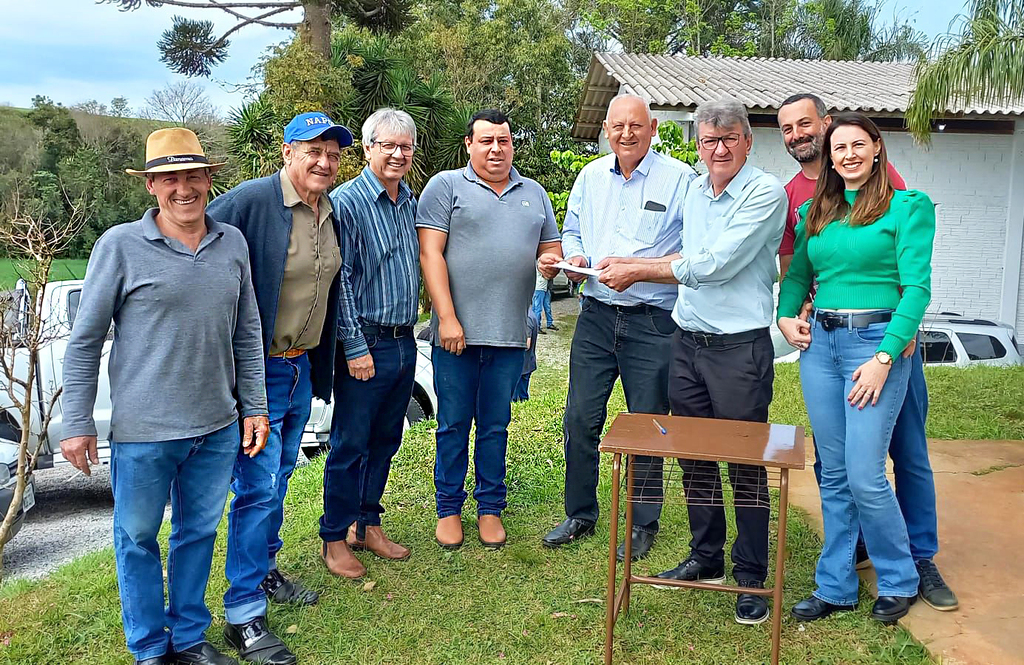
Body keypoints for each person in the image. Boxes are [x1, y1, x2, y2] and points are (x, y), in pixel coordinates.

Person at [60, 128, 268, 665]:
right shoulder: (120, 246)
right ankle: (151, 650)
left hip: (217, 426)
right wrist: (77, 420)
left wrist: (256, 407)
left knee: (197, 534)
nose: (184, 189)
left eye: (193, 177)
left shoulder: (232, 243)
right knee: (136, 540)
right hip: (144, 432)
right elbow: (84, 339)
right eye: (169, 178)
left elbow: (246, 332)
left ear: (208, 180)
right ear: (151, 185)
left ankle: (189, 640)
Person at [593, 98, 787, 626]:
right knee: (694, 457)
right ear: (697, 144)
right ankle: (707, 555)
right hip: (687, 343)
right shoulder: (696, 190)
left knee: (744, 464)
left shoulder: (764, 192)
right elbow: (680, 252)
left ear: (748, 141)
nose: (718, 150)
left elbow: (716, 265)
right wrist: (630, 262)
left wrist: (638, 271)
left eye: (728, 139)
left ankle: (750, 574)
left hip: (738, 350)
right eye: (708, 140)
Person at [776, 94, 956, 611]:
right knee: (831, 472)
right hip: (821, 348)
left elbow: (916, 290)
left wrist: (884, 358)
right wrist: (787, 317)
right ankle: (835, 586)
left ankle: (900, 579)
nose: (848, 154)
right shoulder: (814, 211)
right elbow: (799, 278)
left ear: (877, 149)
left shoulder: (908, 207)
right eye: (840, 148)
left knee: (865, 471)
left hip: (875, 347)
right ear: (829, 158)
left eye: (859, 144)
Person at [207, 111, 354, 664]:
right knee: (257, 488)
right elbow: (189, 236)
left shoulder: (328, 212)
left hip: (297, 367)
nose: (323, 161)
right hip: (259, 370)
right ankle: (243, 616)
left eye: (333, 154)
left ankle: (264, 570)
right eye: (312, 150)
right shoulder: (249, 203)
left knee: (280, 477)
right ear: (287, 152)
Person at [538, 94, 695, 561]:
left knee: (647, 422)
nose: (626, 134)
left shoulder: (681, 179)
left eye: (636, 126)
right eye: (618, 126)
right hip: (596, 315)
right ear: (606, 131)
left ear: (652, 130)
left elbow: (691, 254)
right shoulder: (589, 177)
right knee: (580, 418)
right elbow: (574, 230)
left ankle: (644, 522)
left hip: (654, 322)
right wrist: (576, 258)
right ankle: (580, 512)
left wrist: (639, 268)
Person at [418, 109, 561, 549]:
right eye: (486, 141)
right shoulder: (446, 187)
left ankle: (490, 508)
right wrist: (446, 318)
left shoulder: (534, 193)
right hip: (455, 334)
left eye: (504, 140)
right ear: (469, 144)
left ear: (512, 144)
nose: (496, 149)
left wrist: (552, 264)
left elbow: (551, 248)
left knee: (496, 425)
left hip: (510, 334)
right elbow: (430, 254)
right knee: (453, 423)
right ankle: (448, 508)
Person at [320, 108, 420, 574]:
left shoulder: (409, 203)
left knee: (387, 437)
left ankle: (367, 522)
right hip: (367, 342)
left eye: (405, 146)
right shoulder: (347, 203)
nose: (398, 154)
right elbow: (342, 281)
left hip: (404, 341)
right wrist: (354, 346)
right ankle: (334, 536)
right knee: (349, 443)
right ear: (367, 149)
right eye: (388, 145)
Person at [513, 308, 540, 402]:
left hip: (522, 367)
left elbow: (526, 344)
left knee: (519, 398)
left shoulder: (527, 318)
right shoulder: (530, 314)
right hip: (526, 364)